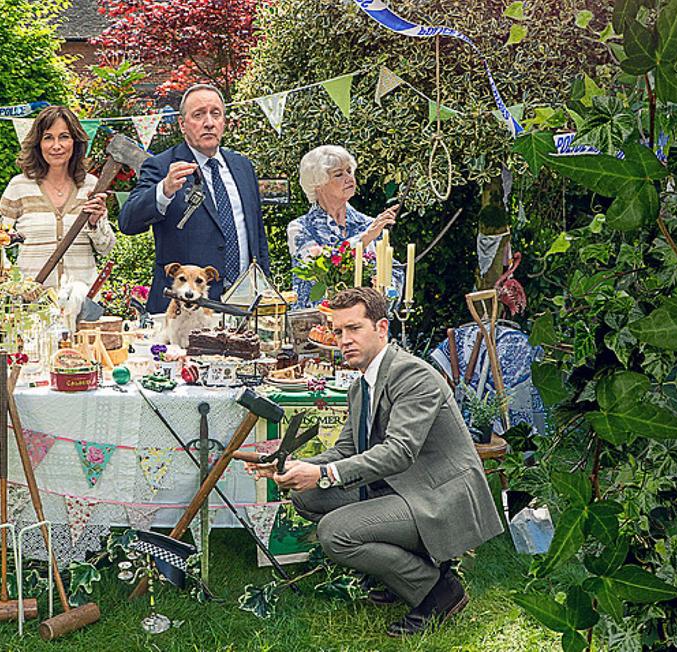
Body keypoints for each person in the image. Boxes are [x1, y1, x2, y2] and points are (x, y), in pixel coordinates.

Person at [247, 287, 503, 637]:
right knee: (306, 496)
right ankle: (402, 570)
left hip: (439, 496)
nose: (344, 340)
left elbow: (399, 451)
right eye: (338, 332)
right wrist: (289, 465)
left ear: (382, 328)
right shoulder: (361, 386)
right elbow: (345, 449)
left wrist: (324, 473)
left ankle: (438, 591)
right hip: (402, 487)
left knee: (335, 534)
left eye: (354, 328)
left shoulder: (412, 375)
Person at [119, 84, 269, 314]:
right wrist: (164, 190)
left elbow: (257, 235)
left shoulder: (243, 166)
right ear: (182, 124)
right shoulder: (162, 166)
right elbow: (128, 222)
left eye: (215, 114)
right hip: (184, 308)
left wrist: (265, 290)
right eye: (198, 115)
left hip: (243, 304)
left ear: (224, 122)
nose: (209, 122)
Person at [0, 105, 115, 289]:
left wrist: (95, 223)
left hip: (80, 300)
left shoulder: (91, 186)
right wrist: (11, 280)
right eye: (48, 138)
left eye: (64, 137)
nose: (56, 146)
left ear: (75, 142)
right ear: (38, 143)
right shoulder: (19, 186)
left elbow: (105, 248)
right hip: (33, 302)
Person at [287, 145, 402, 308]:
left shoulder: (369, 224)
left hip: (366, 320)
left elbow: (394, 273)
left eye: (349, 171)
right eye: (339, 174)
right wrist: (365, 238)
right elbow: (321, 269)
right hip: (317, 322)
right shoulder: (300, 228)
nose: (349, 178)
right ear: (318, 184)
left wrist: (385, 292)